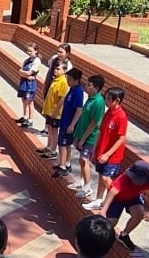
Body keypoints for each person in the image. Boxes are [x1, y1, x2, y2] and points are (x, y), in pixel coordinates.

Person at [96, 161, 149, 251]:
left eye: (139, 180)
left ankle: (124, 235)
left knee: (139, 214)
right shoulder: (124, 178)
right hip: (117, 199)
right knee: (111, 223)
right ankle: (98, 239)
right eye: (135, 179)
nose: (136, 182)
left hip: (132, 198)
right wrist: (103, 210)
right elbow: (112, 192)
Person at [84, 87, 130, 211]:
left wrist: (108, 154)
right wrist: (95, 149)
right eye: (106, 98)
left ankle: (114, 201)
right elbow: (101, 132)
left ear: (117, 100)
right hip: (101, 151)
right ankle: (99, 200)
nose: (106, 101)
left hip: (113, 156)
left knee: (106, 178)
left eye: (109, 99)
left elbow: (121, 138)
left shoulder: (121, 116)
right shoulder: (108, 112)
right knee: (101, 176)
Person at [69, 75, 108, 204]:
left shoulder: (98, 102)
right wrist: (78, 135)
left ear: (97, 88)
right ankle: (81, 181)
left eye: (89, 85)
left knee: (84, 159)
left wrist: (83, 139)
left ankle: (87, 187)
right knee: (81, 160)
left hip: (90, 137)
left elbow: (94, 123)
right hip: (82, 134)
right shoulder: (91, 99)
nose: (86, 86)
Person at [51, 68, 88, 187]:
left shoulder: (78, 92)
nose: (67, 81)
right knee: (66, 144)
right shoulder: (72, 89)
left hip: (69, 123)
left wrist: (72, 124)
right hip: (65, 121)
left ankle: (62, 166)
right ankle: (66, 163)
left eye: (69, 79)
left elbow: (79, 110)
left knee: (62, 144)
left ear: (76, 80)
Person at [35, 63, 70, 158]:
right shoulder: (55, 79)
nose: (55, 70)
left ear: (64, 71)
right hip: (49, 111)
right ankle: (48, 147)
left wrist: (56, 111)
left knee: (54, 131)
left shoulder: (63, 82)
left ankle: (53, 151)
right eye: (55, 68)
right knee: (50, 129)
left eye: (58, 69)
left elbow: (62, 98)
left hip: (56, 113)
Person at [15, 43, 43, 128]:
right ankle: (25, 117)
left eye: (31, 51)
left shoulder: (37, 61)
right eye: (28, 51)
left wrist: (24, 73)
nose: (29, 52)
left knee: (30, 102)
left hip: (30, 85)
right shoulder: (27, 60)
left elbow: (29, 73)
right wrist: (24, 74)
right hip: (24, 82)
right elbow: (20, 71)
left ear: (36, 51)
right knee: (24, 100)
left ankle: (30, 120)